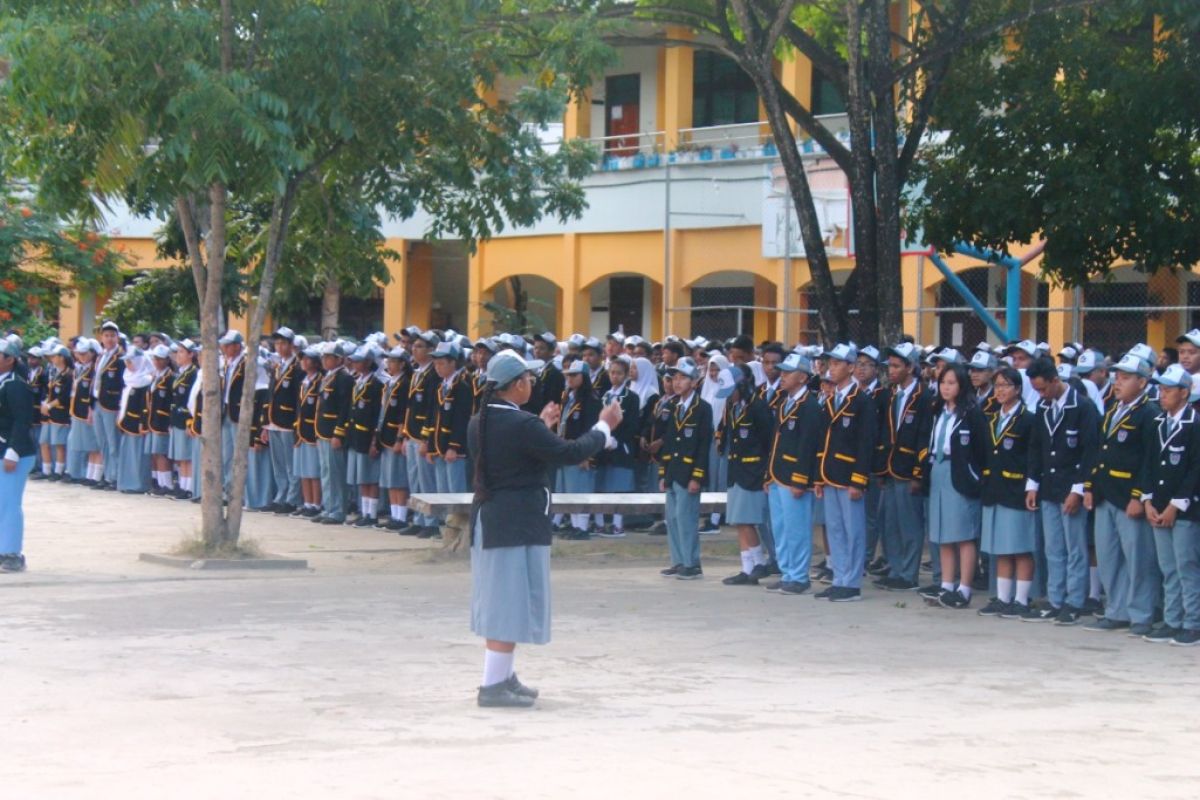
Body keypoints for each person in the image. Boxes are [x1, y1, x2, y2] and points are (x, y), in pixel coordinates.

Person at [467, 350, 621, 708]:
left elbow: (520, 448)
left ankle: (502, 676)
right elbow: (569, 452)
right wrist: (603, 426)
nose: (532, 385)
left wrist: (540, 425)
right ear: (517, 385)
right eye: (529, 380)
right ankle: (493, 686)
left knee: (505, 600)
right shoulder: (522, 425)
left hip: (496, 519)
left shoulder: (484, 419)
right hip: (514, 522)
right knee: (507, 603)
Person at [1082, 351, 1160, 635]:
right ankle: (1116, 610)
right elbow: (1100, 452)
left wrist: (1139, 495)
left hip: (1129, 497)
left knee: (1137, 558)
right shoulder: (1114, 410)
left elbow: (1149, 460)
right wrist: (1090, 486)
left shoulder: (1149, 413)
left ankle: (1141, 614)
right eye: (1117, 378)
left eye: (1125, 378)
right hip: (1106, 494)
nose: (1118, 383)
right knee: (1108, 556)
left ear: (1142, 382)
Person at [1024, 356, 1100, 625]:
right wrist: (1032, 484)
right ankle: (1056, 599)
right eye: (1036, 390)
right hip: (1048, 488)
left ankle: (1074, 601)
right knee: (1053, 547)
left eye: (1043, 388)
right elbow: (1036, 448)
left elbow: (1091, 451)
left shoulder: (1083, 407)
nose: (1040, 394)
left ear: (1056, 380)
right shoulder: (1043, 408)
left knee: (1075, 547)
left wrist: (1078, 489)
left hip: (1071, 488)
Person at [1139, 364, 1200, 646]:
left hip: (1184, 509)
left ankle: (1192, 622)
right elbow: (1149, 463)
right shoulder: (1158, 423)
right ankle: (1172, 619)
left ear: (1184, 392)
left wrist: (1176, 505)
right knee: (1168, 566)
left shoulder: (1195, 424)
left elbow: (1195, 470)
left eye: (1168, 390)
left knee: (1186, 564)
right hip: (1159, 504)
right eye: (1160, 390)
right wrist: (1148, 499)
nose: (1162, 395)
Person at [922, 362, 988, 609]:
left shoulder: (971, 412)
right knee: (943, 535)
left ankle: (964, 588)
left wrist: (975, 476)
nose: (945, 388)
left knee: (963, 534)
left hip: (960, 473)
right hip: (939, 469)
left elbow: (981, 449)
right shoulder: (939, 410)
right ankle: (947, 585)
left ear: (962, 385)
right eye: (942, 383)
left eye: (951, 383)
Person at [814, 343, 877, 602]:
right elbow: (822, 441)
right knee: (835, 529)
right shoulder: (830, 399)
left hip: (849, 475)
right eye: (831, 362)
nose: (832, 367)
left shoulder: (861, 401)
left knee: (854, 530)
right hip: (830, 474)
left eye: (838, 363)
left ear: (851, 367)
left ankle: (851, 583)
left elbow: (866, 443)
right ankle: (839, 577)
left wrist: (858, 480)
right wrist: (818, 477)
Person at [977, 367, 1039, 618]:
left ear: (1018, 388)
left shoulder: (1028, 419)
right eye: (997, 385)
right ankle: (1003, 598)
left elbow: (1033, 457)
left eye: (1005, 385)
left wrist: (1031, 487)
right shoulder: (992, 417)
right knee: (1001, 547)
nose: (1000, 390)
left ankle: (1022, 599)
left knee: (1020, 547)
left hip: (1016, 490)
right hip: (994, 489)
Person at [873, 342, 932, 593]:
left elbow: (923, 436)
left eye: (897, 366)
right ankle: (895, 569)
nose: (891, 371)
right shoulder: (891, 395)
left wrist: (919, 473)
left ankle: (909, 573)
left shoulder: (924, 396)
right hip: (890, 467)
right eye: (890, 366)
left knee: (909, 524)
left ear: (911, 367)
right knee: (889, 523)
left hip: (908, 468)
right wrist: (880, 468)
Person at [760, 352, 822, 594]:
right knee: (781, 528)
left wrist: (800, 479)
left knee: (797, 529)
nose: (782, 376)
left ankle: (799, 575)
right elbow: (775, 441)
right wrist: (768, 475)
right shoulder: (783, 402)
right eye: (782, 371)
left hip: (793, 477)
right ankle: (787, 572)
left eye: (788, 372)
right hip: (778, 474)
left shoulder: (809, 406)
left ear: (803, 377)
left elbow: (808, 445)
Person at [719, 364, 774, 586]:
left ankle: (758, 563)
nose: (729, 397)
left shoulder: (758, 407)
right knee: (738, 521)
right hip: (736, 470)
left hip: (752, 472)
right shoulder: (734, 407)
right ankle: (747, 567)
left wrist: (765, 473)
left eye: (731, 391)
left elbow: (768, 442)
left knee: (747, 520)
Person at [659, 357, 712, 580]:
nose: (677, 382)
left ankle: (692, 563)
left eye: (683, 378)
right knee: (671, 518)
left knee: (686, 518)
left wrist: (697, 476)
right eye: (675, 378)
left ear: (694, 381)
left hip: (689, 472)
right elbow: (668, 441)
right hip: (673, 470)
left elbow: (703, 445)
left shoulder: (702, 408)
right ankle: (678, 561)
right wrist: (663, 472)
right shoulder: (672, 406)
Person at [426, 341, 473, 533]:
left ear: (453, 363)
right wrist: (430, 446)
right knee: (443, 491)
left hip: (453, 448)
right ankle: (447, 528)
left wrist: (454, 446)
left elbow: (461, 420)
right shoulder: (440, 387)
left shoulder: (461, 386)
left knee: (456, 491)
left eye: (441, 363)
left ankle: (459, 528)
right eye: (435, 364)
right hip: (439, 445)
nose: (437, 367)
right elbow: (433, 418)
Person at [594, 355, 640, 538]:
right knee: (602, 484)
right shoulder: (605, 396)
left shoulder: (631, 397)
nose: (615, 376)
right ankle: (599, 524)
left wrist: (617, 440)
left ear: (626, 375)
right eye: (612, 372)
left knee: (619, 486)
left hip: (621, 446)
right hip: (604, 446)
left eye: (619, 373)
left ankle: (617, 525)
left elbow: (632, 424)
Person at [0, 337, 35, 572]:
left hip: (16, 452)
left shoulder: (15, 384)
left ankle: (12, 553)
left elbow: (23, 421)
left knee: (10, 503)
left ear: (9, 359)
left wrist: (13, 451)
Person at [557, 360, 601, 539]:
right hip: (567, 449)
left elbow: (590, 428)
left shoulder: (591, 400)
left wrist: (588, 455)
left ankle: (583, 527)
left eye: (574, 375)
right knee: (569, 490)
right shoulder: (568, 397)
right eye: (568, 375)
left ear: (583, 377)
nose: (570, 378)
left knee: (581, 489)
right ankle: (575, 526)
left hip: (580, 451)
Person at [403, 331, 439, 536]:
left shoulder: (433, 374)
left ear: (431, 350)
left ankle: (430, 521)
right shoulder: (417, 372)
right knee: (414, 480)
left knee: (427, 481)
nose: (414, 350)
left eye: (419, 346)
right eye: (414, 346)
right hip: (412, 432)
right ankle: (418, 517)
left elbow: (430, 408)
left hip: (423, 434)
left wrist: (426, 437)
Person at [314, 342, 354, 525]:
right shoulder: (327, 376)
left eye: (328, 357)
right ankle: (328, 507)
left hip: (332, 432)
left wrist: (339, 433)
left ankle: (337, 511)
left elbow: (344, 408)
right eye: (323, 357)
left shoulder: (344, 378)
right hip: (322, 430)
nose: (324, 360)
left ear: (339, 359)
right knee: (326, 472)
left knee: (335, 473)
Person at [345, 347, 384, 527]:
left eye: (358, 360)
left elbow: (377, 414)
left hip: (368, 436)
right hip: (356, 435)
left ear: (369, 362)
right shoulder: (357, 381)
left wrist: (375, 440)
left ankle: (373, 513)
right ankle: (365, 511)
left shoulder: (376, 385)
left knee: (370, 476)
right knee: (361, 477)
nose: (354, 363)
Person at [265, 327, 302, 515]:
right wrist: (265, 422)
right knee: (278, 463)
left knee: (290, 463)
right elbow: (271, 394)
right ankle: (281, 494)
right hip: (274, 419)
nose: (279, 347)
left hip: (288, 421)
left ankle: (292, 498)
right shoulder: (277, 365)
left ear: (291, 345)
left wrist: (297, 423)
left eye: (283, 343)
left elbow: (298, 398)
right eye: (277, 343)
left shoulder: (298, 366)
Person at [114, 348, 154, 494]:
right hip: (127, 423)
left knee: (137, 456)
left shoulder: (145, 381)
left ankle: (137, 484)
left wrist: (142, 422)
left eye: (130, 361)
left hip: (136, 425)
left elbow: (145, 405)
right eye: (126, 361)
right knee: (128, 454)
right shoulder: (130, 378)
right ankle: (126, 482)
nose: (127, 364)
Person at [292, 345, 324, 518]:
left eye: (307, 359)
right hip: (300, 430)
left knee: (314, 471)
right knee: (303, 470)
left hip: (312, 431)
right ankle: (307, 503)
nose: (303, 362)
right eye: (302, 359)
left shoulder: (320, 380)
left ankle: (316, 504)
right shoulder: (303, 380)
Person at [92, 321, 125, 490]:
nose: (109, 339)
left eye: (113, 335)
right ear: (101, 338)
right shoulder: (101, 356)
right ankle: (107, 474)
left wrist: (120, 406)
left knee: (113, 442)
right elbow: (95, 381)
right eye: (106, 335)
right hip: (98, 401)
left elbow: (122, 384)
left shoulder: (121, 358)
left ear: (117, 337)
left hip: (111, 404)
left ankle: (116, 477)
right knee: (102, 441)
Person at [699, 353, 730, 533]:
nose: (713, 373)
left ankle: (716, 518)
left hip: (723, 439)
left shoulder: (726, 390)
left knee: (721, 478)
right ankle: (712, 515)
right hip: (710, 438)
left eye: (717, 369)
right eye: (711, 369)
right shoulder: (707, 388)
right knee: (712, 477)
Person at [168, 341, 200, 500]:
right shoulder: (180, 372)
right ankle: (183, 484)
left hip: (185, 418)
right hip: (176, 417)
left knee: (187, 456)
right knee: (180, 456)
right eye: (177, 352)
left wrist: (189, 421)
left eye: (181, 352)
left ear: (191, 354)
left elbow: (191, 400)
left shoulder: (193, 373)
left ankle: (188, 487)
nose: (177, 355)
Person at [218, 329, 247, 495]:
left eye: (228, 346)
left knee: (238, 455)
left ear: (237, 346)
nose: (224, 349)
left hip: (237, 412)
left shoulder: (245, 362)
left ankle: (239, 492)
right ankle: (228, 490)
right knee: (226, 455)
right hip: (226, 410)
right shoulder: (228, 363)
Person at [67, 338, 99, 484]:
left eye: (85, 353)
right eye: (79, 354)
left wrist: (90, 409)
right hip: (76, 409)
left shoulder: (94, 369)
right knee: (78, 444)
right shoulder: (78, 367)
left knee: (92, 444)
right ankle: (80, 473)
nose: (82, 356)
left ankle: (93, 475)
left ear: (92, 353)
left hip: (87, 410)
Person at [145, 344, 176, 496]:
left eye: (160, 359)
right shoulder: (155, 375)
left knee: (162, 453)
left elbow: (172, 400)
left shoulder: (170, 377)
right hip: (152, 419)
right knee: (154, 453)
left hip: (162, 421)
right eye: (155, 358)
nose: (157, 361)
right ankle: (157, 481)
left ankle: (167, 483)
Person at [39, 344, 73, 481]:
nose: (51, 358)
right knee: (44, 442)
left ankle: (59, 471)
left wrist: (49, 405)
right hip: (49, 412)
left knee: (59, 443)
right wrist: (45, 404)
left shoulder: (69, 374)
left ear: (62, 358)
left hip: (60, 412)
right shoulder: (55, 373)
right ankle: (46, 470)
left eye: (54, 356)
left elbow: (64, 397)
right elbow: (50, 392)